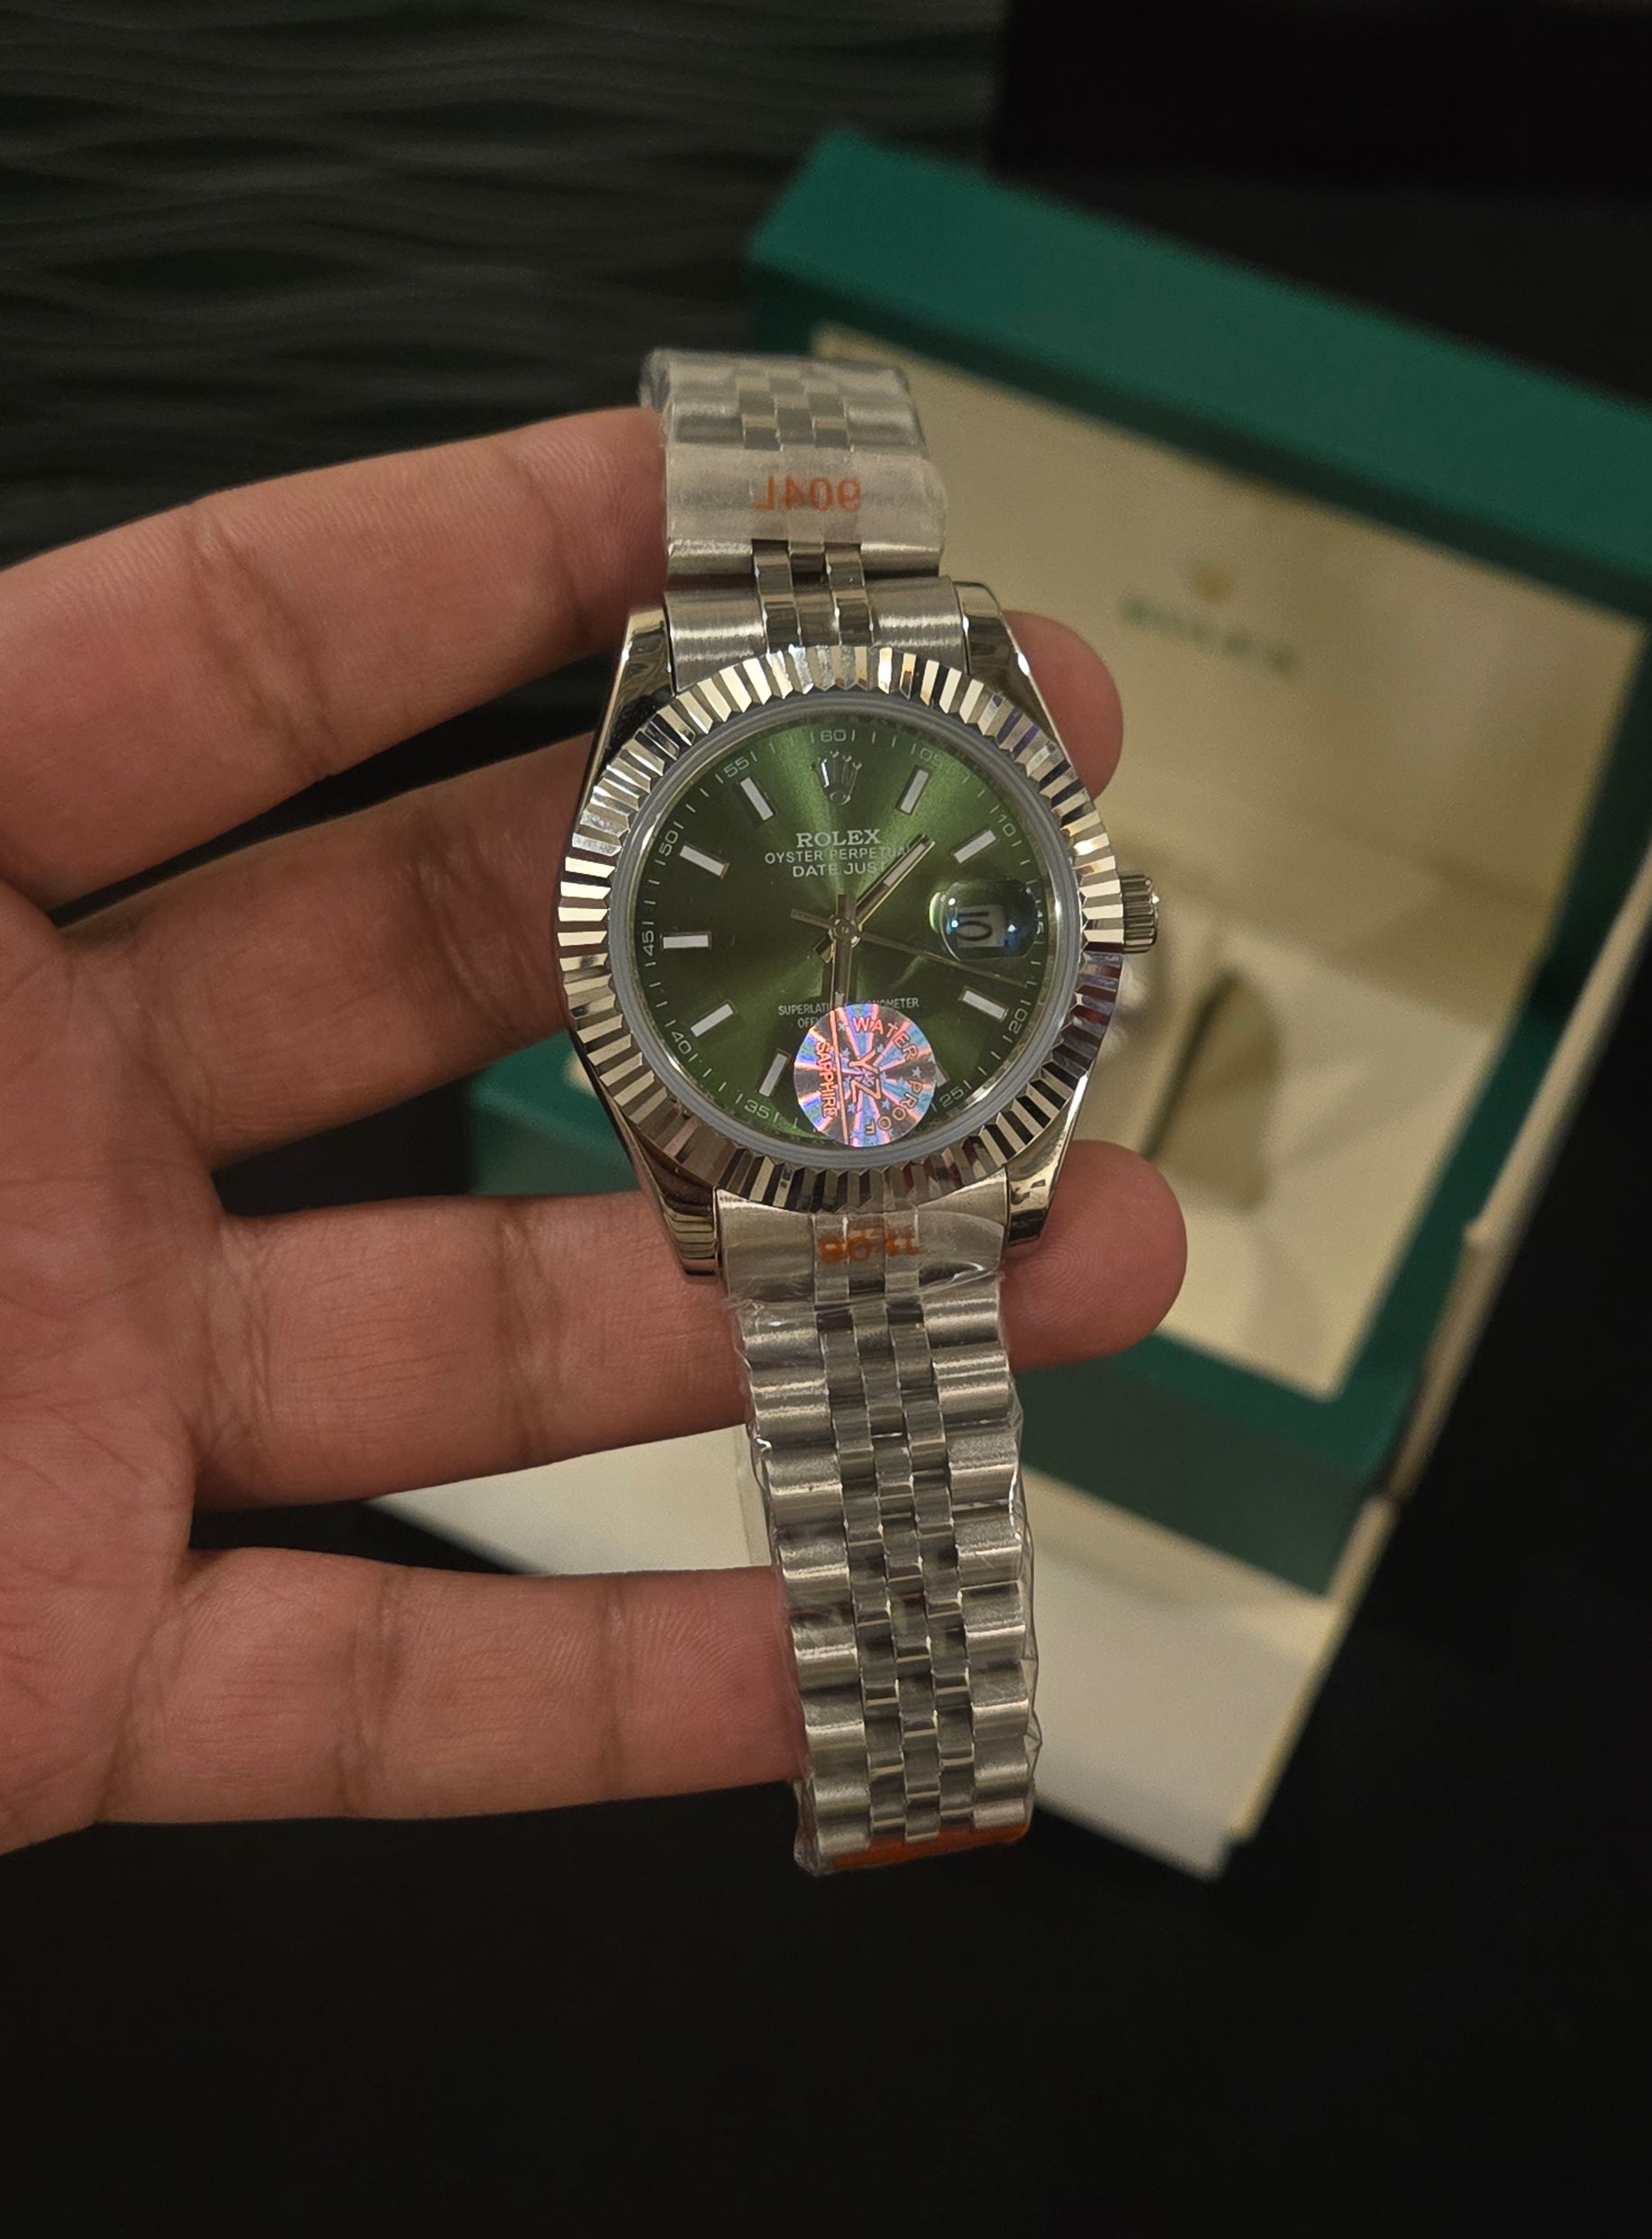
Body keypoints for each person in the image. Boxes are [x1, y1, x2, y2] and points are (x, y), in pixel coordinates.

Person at [0, 408, 1185, 1855]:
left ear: (1099, 926)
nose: (835, 938)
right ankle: (913, 1750)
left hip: (900, 1121)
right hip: (824, 1126)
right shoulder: (696, 860)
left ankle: (915, 1749)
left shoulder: (988, 876)